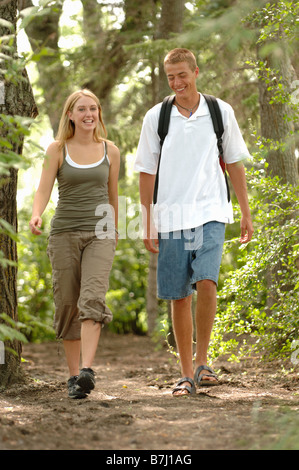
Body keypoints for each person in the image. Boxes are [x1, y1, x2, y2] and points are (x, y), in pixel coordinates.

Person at [134, 48, 253, 396]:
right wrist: (147, 220)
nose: (177, 82)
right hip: (170, 215)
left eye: (182, 74)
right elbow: (146, 171)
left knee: (207, 281)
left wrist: (245, 212)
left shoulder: (219, 112)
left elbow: (234, 163)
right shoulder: (157, 117)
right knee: (178, 295)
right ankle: (185, 373)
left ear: (196, 72)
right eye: (171, 77)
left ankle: (203, 362)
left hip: (212, 211)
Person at [29, 89, 120, 399]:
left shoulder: (111, 150)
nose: (88, 114)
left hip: (100, 234)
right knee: (68, 303)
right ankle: (72, 378)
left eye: (93, 108)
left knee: (93, 297)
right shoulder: (57, 149)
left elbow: (112, 195)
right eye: (81, 109)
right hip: (64, 232)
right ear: (70, 114)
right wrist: (36, 215)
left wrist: (115, 230)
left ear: (98, 113)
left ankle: (87, 370)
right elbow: (42, 189)